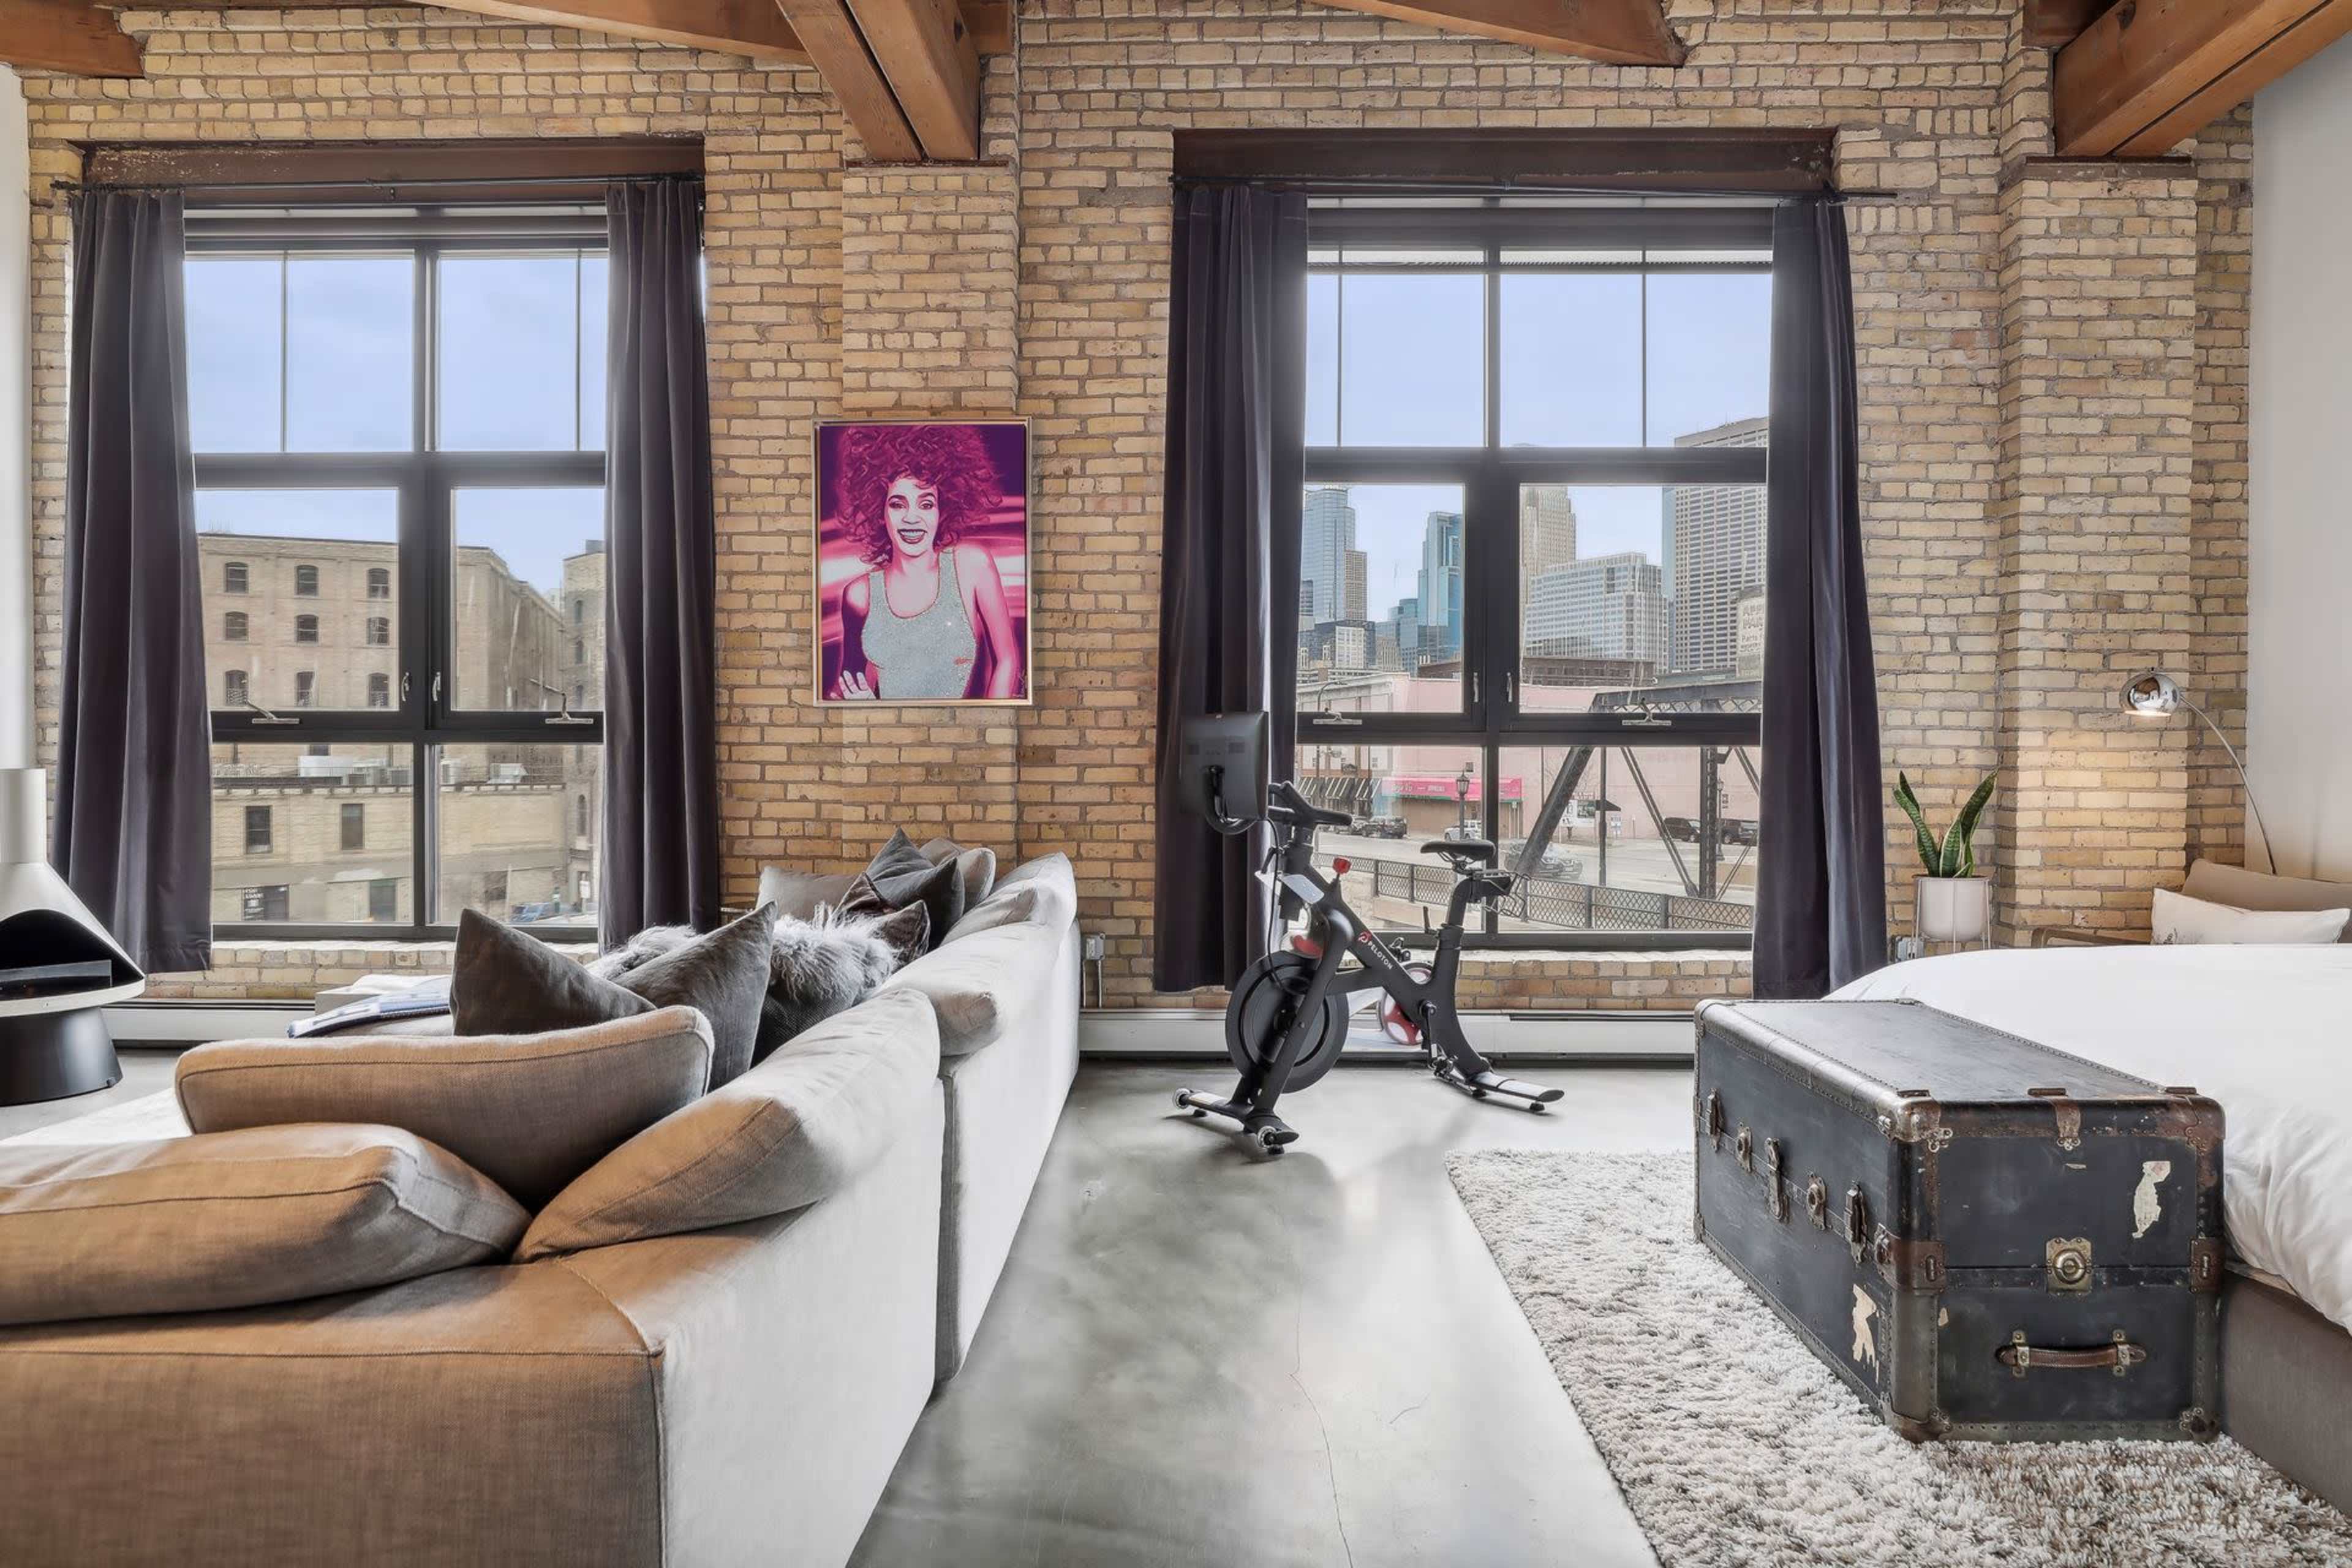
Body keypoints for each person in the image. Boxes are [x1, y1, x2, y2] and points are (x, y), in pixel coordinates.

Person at [828, 423, 1023, 701]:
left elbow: (1006, 661)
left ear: (943, 510)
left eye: (926, 504)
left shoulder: (972, 566)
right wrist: (863, 709)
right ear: (880, 512)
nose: (911, 518)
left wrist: (991, 721)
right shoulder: (860, 595)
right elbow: (848, 686)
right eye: (898, 504)